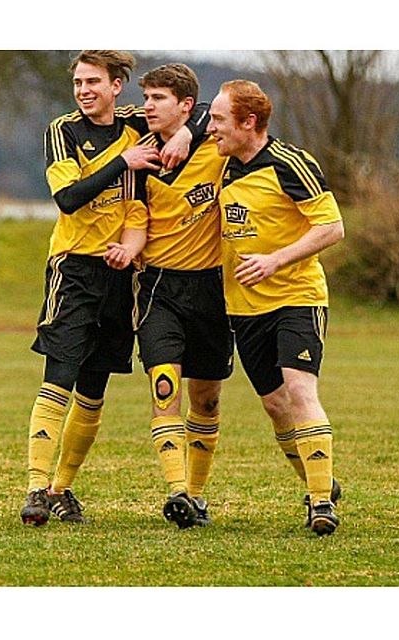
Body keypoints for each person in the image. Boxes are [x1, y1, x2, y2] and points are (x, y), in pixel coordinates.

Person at [21, 50, 207, 526]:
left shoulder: (135, 121)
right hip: (74, 270)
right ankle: (35, 487)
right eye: (78, 83)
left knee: (94, 389)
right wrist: (123, 161)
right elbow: (67, 198)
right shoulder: (63, 130)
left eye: (93, 82)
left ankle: (61, 489)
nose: (84, 91)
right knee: (58, 376)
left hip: (121, 278)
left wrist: (187, 131)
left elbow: (204, 110)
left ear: (116, 85)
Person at [207, 80, 344, 536]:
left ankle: (320, 502)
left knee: (299, 390)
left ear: (249, 123)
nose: (212, 128)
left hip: (296, 298)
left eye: (220, 120)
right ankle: (318, 476)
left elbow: (332, 226)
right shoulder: (221, 165)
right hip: (243, 308)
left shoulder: (291, 163)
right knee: (274, 404)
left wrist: (276, 260)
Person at [115, 63, 232, 529]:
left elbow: (240, 115)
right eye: (146, 98)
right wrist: (127, 250)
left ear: (185, 106)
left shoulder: (215, 146)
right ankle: (178, 490)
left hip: (212, 291)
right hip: (160, 288)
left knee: (205, 399)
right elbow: (137, 219)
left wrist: (194, 129)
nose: (147, 107)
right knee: (165, 388)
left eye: (158, 98)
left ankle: (198, 495)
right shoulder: (139, 158)